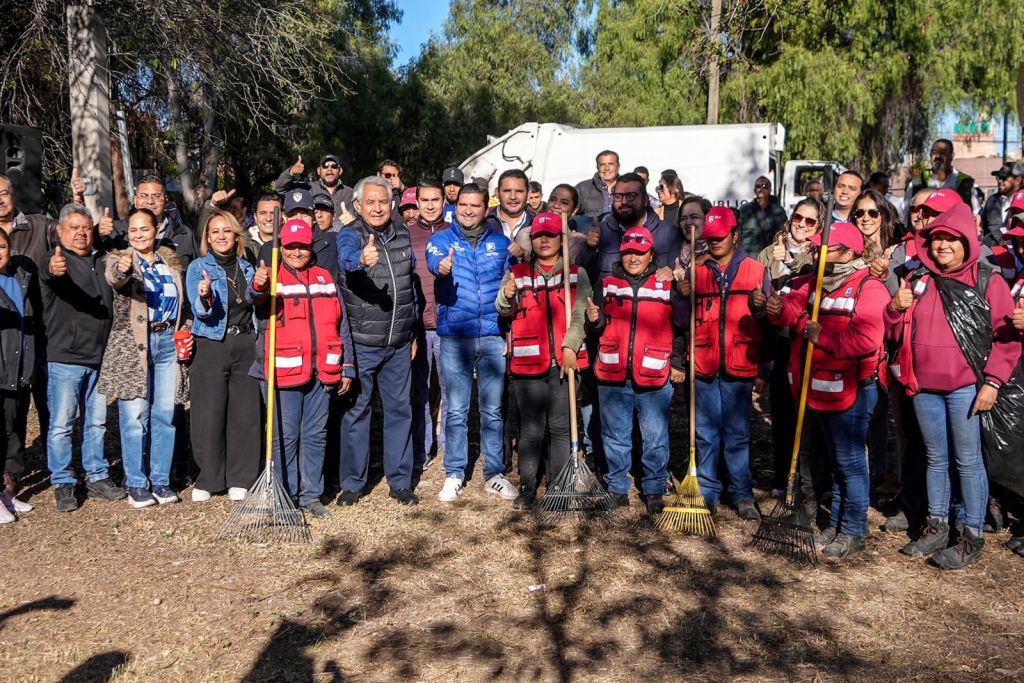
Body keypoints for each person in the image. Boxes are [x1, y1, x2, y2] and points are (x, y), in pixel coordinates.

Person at [885, 202, 1020, 569]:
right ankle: (937, 525)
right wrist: (895, 308)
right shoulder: (920, 280)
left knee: (967, 461)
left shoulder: (987, 281)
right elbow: (897, 333)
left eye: (950, 238)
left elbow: (1006, 338)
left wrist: (992, 383)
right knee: (935, 458)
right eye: (936, 238)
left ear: (966, 240)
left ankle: (971, 534)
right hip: (924, 388)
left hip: (966, 389)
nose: (942, 244)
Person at [766, 221, 889, 559]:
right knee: (834, 459)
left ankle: (853, 528)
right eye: (818, 249)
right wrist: (779, 312)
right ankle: (835, 522)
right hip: (819, 385)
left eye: (828, 249)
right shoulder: (814, 282)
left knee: (849, 461)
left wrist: (822, 336)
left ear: (849, 253)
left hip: (853, 389)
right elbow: (793, 311)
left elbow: (867, 340)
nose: (819, 253)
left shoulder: (868, 288)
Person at [248, 219, 355, 518]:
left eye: (303, 246)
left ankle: (311, 495)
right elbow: (254, 298)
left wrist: (347, 365)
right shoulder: (272, 277)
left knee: (315, 435)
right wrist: (259, 283)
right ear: (281, 247)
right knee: (285, 437)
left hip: (323, 370)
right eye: (290, 246)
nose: (296, 252)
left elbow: (342, 324)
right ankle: (285, 496)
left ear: (311, 247)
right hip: (283, 373)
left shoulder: (324, 278)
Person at [427, 183, 516, 503]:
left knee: (492, 410)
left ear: (485, 209)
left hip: (492, 336)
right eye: (463, 204)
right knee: (457, 410)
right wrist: (443, 267)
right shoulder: (440, 241)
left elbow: (512, 285)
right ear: (456, 206)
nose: (467, 210)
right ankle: (454, 472)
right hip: (455, 337)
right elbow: (434, 263)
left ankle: (494, 473)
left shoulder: (501, 244)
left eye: (474, 206)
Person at [587, 226, 685, 512]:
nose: (633, 258)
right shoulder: (606, 283)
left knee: (654, 435)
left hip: (654, 373)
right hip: (613, 371)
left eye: (639, 253)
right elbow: (597, 325)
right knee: (615, 435)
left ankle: (654, 487)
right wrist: (594, 319)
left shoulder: (665, 284)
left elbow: (680, 327)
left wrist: (677, 363)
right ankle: (617, 486)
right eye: (628, 251)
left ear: (650, 254)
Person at [496, 212, 590, 508]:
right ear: (531, 240)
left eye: (551, 235)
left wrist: (570, 347)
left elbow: (579, 315)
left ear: (562, 240)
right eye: (539, 236)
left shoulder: (577, 273)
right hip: (527, 364)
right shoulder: (518, 273)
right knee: (531, 428)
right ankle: (527, 485)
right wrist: (508, 296)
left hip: (565, 361)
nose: (545, 240)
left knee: (561, 427)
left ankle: (559, 486)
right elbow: (503, 309)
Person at [682, 206, 771, 520]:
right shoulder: (698, 271)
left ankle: (742, 493)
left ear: (735, 235)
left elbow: (769, 321)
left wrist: (765, 367)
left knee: (736, 433)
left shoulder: (756, 271)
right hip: (704, 361)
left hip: (740, 361)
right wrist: (682, 296)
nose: (715, 242)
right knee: (705, 431)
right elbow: (682, 320)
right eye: (711, 238)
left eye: (721, 237)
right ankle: (707, 491)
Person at [98, 208, 190, 508]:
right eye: (133, 230)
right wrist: (125, 268)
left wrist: (183, 331)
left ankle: (161, 480)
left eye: (144, 229)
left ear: (156, 230)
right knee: (135, 416)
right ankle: (137, 483)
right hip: (134, 346)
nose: (138, 235)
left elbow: (181, 306)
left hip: (165, 343)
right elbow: (116, 279)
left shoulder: (170, 263)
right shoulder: (119, 259)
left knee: (165, 414)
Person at [335, 176, 418, 506]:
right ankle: (352, 483)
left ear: (392, 204)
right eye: (370, 202)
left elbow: (411, 287)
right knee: (357, 413)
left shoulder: (402, 235)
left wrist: (411, 333)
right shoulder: (349, 235)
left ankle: (400, 481)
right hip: (362, 343)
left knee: (400, 411)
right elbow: (345, 259)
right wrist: (360, 260)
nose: (377, 207)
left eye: (382, 201)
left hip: (398, 343)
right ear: (358, 206)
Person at [42, 204, 121, 511]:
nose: (80, 233)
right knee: (62, 424)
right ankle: (62, 481)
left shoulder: (101, 260)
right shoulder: (55, 261)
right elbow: (51, 276)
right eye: (73, 227)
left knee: (96, 423)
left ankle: (97, 474)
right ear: (60, 232)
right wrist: (53, 269)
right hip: (66, 357)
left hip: (100, 357)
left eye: (86, 227)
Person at [185, 209, 260, 502]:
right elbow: (199, 308)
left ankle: (240, 477)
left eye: (226, 231)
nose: (220, 237)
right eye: (214, 232)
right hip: (212, 343)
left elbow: (255, 302)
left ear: (236, 235)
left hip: (245, 344)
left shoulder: (247, 267)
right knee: (209, 411)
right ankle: (210, 477)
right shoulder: (197, 268)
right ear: (207, 237)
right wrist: (205, 295)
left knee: (245, 413)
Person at [756, 197, 824, 494]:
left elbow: (810, 281)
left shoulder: (821, 253)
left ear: (819, 226)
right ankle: (783, 477)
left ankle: (811, 481)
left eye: (810, 221)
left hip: (806, 341)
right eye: (798, 218)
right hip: (777, 343)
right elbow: (756, 294)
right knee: (781, 415)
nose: (802, 225)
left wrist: (789, 261)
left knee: (809, 416)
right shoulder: (767, 253)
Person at [0, 173, 53, 494]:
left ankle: (56, 464)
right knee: (11, 411)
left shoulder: (37, 225)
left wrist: (76, 201)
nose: (0, 200)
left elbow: (68, 236)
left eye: (4, 193)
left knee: (44, 402)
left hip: (39, 334)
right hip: (6, 346)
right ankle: (11, 474)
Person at [407, 179, 449, 470]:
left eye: (436, 199)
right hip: (419, 326)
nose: (431, 205)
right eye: (425, 200)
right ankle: (422, 449)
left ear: (445, 201)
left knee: (451, 390)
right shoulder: (406, 235)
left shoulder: (455, 233)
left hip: (449, 326)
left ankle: (450, 448)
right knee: (419, 390)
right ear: (417, 203)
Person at [0, 228, 40, 521]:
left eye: (1, 246)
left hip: (19, 367)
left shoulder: (20, 277)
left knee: (12, 431)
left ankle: (5, 494)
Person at [586, 172, 681, 281]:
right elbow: (584, 279)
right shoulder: (601, 232)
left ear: (645, 200)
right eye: (618, 196)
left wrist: (673, 273)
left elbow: (680, 278)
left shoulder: (669, 234)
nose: (624, 202)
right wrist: (589, 248)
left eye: (631, 196)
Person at [108, 174, 198, 269]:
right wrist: (98, 234)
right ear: (135, 200)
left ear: (166, 199)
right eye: (144, 196)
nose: (150, 201)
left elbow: (196, 269)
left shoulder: (184, 233)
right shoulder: (116, 230)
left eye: (156, 196)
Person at [275, 153, 355, 219]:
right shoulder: (307, 188)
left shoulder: (350, 192)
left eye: (334, 166)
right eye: (325, 166)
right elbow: (280, 188)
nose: (329, 169)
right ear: (318, 171)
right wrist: (290, 172)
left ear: (340, 171)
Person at [907, 139, 977, 211]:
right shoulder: (918, 181)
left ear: (951, 156)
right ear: (930, 155)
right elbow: (905, 211)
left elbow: (975, 212)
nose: (937, 156)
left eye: (943, 152)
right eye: (934, 152)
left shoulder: (964, 182)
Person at [737, 175, 787, 256]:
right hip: (749, 256)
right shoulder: (744, 209)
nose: (761, 188)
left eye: (765, 186)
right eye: (758, 186)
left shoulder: (778, 210)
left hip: (770, 256)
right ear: (754, 190)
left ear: (770, 190)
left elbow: (783, 232)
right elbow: (738, 232)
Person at [982, 162, 1023, 246]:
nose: (1000, 181)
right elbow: (989, 230)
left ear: (1018, 180)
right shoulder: (992, 200)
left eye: (1004, 178)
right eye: (998, 177)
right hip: (994, 252)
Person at [575, 150, 620, 218]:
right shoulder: (582, 188)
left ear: (618, 167)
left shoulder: (628, 188)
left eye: (610, 164)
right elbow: (569, 213)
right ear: (597, 167)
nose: (606, 168)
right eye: (602, 165)